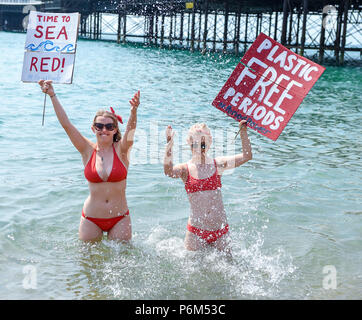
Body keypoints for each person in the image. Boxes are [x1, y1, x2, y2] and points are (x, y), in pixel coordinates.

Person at [38, 80, 140, 242]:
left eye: (109, 126)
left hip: (120, 218)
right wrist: (52, 95)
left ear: (115, 130)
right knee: (88, 264)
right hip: (91, 218)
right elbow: (66, 125)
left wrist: (134, 111)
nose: (104, 130)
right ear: (93, 129)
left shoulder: (122, 150)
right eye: (99, 126)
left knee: (123, 263)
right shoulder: (86, 149)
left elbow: (130, 132)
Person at [164, 121, 252, 252]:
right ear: (189, 143)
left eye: (203, 145)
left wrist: (243, 132)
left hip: (220, 231)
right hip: (195, 232)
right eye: (195, 145)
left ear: (210, 143)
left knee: (229, 267)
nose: (199, 149)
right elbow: (168, 171)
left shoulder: (218, 164)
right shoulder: (185, 169)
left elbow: (247, 156)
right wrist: (169, 146)